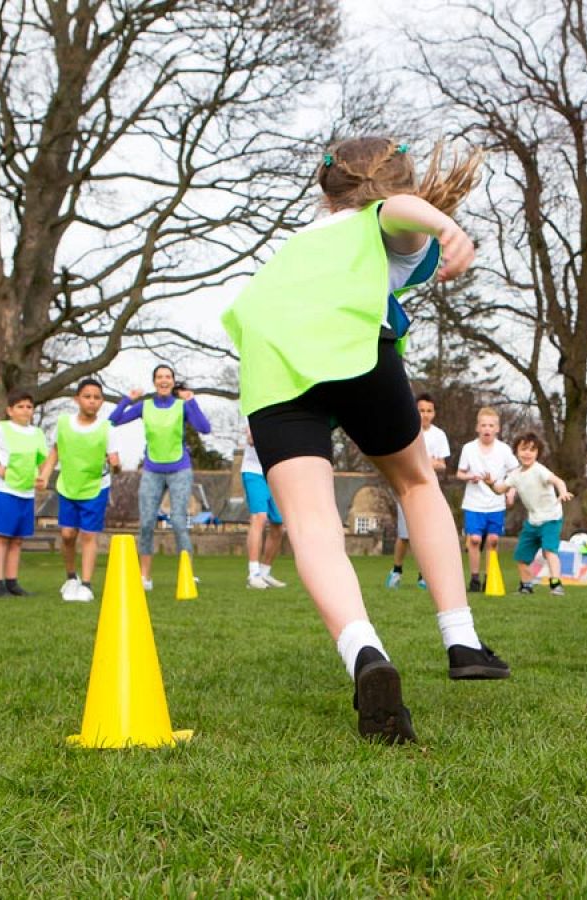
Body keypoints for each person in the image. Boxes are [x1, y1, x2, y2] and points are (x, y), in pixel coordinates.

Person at [221, 136, 508, 744]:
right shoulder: (377, 223)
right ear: (396, 186)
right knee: (415, 480)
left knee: (310, 523)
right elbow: (394, 214)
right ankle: (461, 640)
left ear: (326, 189)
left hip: (272, 368)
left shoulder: (297, 244)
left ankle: (365, 655)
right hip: (353, 352)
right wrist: (446, 225)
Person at [108, 364, 212, 591]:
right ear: (154, 382)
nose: (164, 380)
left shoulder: (182, 406)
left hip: (180, 470)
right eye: (159, 377)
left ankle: (187, 572)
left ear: (173, 382)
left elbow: (204, 428)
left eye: (168, 377)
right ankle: (145, 576)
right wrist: (128, 399)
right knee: (146, 522)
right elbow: (113, 421)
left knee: (177, 521)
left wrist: (191, 400)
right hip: (152, 471)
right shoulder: (144, 406)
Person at [38, 379, 119, 603]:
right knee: (67, 535)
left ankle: (86, 584)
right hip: (69, 486)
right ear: (77, 399)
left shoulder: (106, 428)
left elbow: (116, 464)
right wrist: (44, 475)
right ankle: (71, 578)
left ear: (101, 402)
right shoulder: (63, 423)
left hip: (95, 487)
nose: (92, 401)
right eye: (87, 396)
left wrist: (115, 463)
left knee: (89, 535)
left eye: (97, 398)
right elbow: (55, 451)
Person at [0, 389, 48, 598]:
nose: (25, 410)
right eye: (20, 406)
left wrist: (43, 477)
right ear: (10, 410)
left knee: (17, 540)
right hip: (5, 491)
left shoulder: (37, 433)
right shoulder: (1, 429)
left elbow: (44, 461)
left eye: (29, 407)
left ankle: (12, 582)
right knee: (1, 538)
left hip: (27, 493)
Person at [483, 432, 574, 596]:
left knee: (549, 551)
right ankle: (526, 586)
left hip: (551, 518)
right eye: (523, 449)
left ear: (537, 453)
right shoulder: (515, 475)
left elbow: (559, 481)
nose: (527, 453)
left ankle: (556, 584)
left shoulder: (540, 470)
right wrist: (490, 484)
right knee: (521, 557)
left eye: (532, 450)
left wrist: (563, 492)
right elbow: (499, 490)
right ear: (517, 451)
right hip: (533, 521)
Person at [386, 392, 450, 589]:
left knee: (427, 533)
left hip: (428, 489)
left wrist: (429, 463)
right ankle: (396, 571)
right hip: (406, 487)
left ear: (434, 413)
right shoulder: (407, 431)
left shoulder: (439, 435)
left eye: (429, 411)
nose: (425, 414)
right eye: (421, 410)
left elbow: (442, 465)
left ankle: (425, 575)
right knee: (405, 535)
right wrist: (424, 462)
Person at [455, 406, 518, 592]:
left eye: (491, 425)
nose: (487, 429)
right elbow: (459, 473)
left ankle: (490, 576)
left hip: (495, 503)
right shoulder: (469, 448)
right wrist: (470, 477)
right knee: (474, 539)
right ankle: (474, 579)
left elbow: (515, 472)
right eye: (483, 425)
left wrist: (510, 491)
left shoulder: (504, 450)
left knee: (492, 540)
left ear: (497, 428)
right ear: (477, 428)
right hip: (474, 503)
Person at [240, 425, 287, 590]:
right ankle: (253, 574)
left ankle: (265, 572)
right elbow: (252, 439)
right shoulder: (255, 407)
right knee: (259, 517)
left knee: (278, 525)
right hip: (254, 472)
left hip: (275, 472)